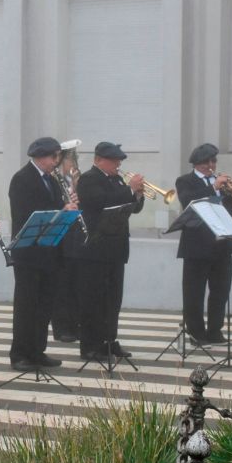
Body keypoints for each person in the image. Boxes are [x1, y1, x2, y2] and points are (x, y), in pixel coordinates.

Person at [7, 137, 74, 371]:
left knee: (45, 304)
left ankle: (37, 350)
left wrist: (68, 211)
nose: (56, 162)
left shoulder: (52, 180)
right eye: (54, 157)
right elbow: (27, 214)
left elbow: (54, 209)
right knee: (27, 305)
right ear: (41, 157)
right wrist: (61, 210)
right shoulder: (22, 179)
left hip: (49, 251)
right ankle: (20, 354)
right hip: (28, 252)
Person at [75, 142, 145, 359]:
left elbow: (132, 208)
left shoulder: (116, 180)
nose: (118, 164)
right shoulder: (89, 179)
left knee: (113, 299)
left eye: (119, 161)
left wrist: (138, 195)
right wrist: (130, 189)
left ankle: (109, 340)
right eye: (114, 161)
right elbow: (100, 202)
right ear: (99, 160)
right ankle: (91, 345)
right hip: (96, 249)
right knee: (94, 299)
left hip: (116, 248)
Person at [174, 144, 232, 346]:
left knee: (220, 291)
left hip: (222, 244)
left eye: (214, 161)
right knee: (194, 293)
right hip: (197, 246)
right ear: (198, 164)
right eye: (208, 162)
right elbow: (188, 200)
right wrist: (213, 187)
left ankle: (215, 331)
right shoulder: (185, 181)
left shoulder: (220, 182)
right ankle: (196, 333)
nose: (212, 165)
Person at [51, 140, 85, 344]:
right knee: (61, 286)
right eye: (71, 159)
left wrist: (77, 187)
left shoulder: (75, 179)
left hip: (75, 238)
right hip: (60, 238)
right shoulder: (55, 180)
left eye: (75, 160)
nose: (74, 164)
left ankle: (75, 324)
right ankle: (61, 327)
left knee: (75, 284)